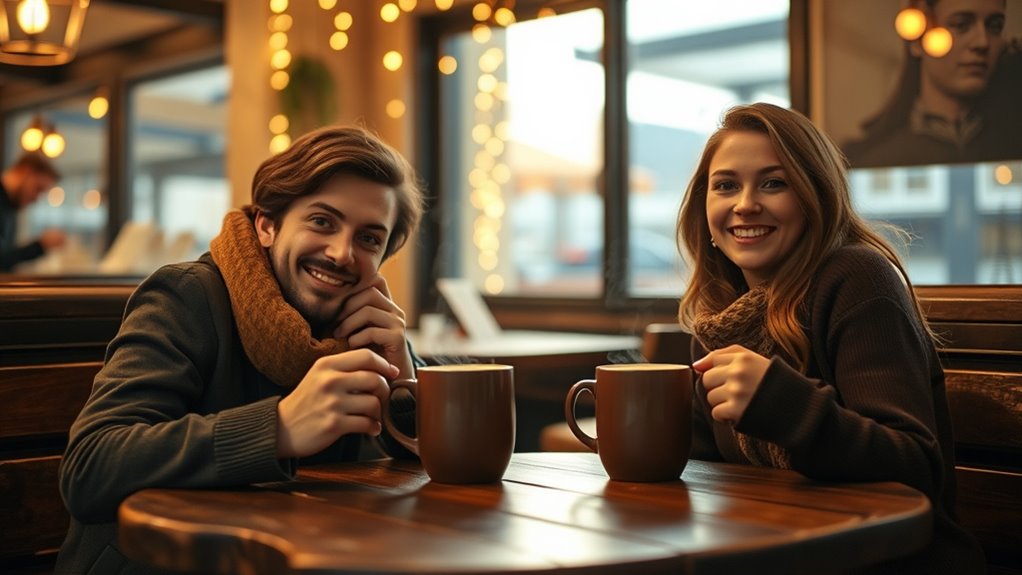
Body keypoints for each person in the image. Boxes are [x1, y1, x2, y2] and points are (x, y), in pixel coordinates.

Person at [55, 125, 425, 574]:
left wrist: (403, 373)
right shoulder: (187, 295)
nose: (342, 253)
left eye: (369, 238)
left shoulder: (367, 328)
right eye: (322, 221)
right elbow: (90, 466)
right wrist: (280, 428)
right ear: (267, 225)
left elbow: (430, 459)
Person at [676, 103, 986, 574]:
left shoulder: (857, 277)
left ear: (813, 195)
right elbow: (702, 468)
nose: (744, 204)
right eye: (725, 186)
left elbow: (916, 465)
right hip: (774, 552)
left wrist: (781, 403)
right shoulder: (721, 314)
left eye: (773, 183)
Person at [843, 0, 1022, 167]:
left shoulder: (1012, 142)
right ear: (917, 40)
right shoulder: (871, 158)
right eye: (961, 25)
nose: (982, 42)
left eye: (995, 27)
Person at [0, 152, 67, 272]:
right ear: (24, 172)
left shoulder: (10, 207)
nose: (36, 198)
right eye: (38, 188)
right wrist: (40, 245)